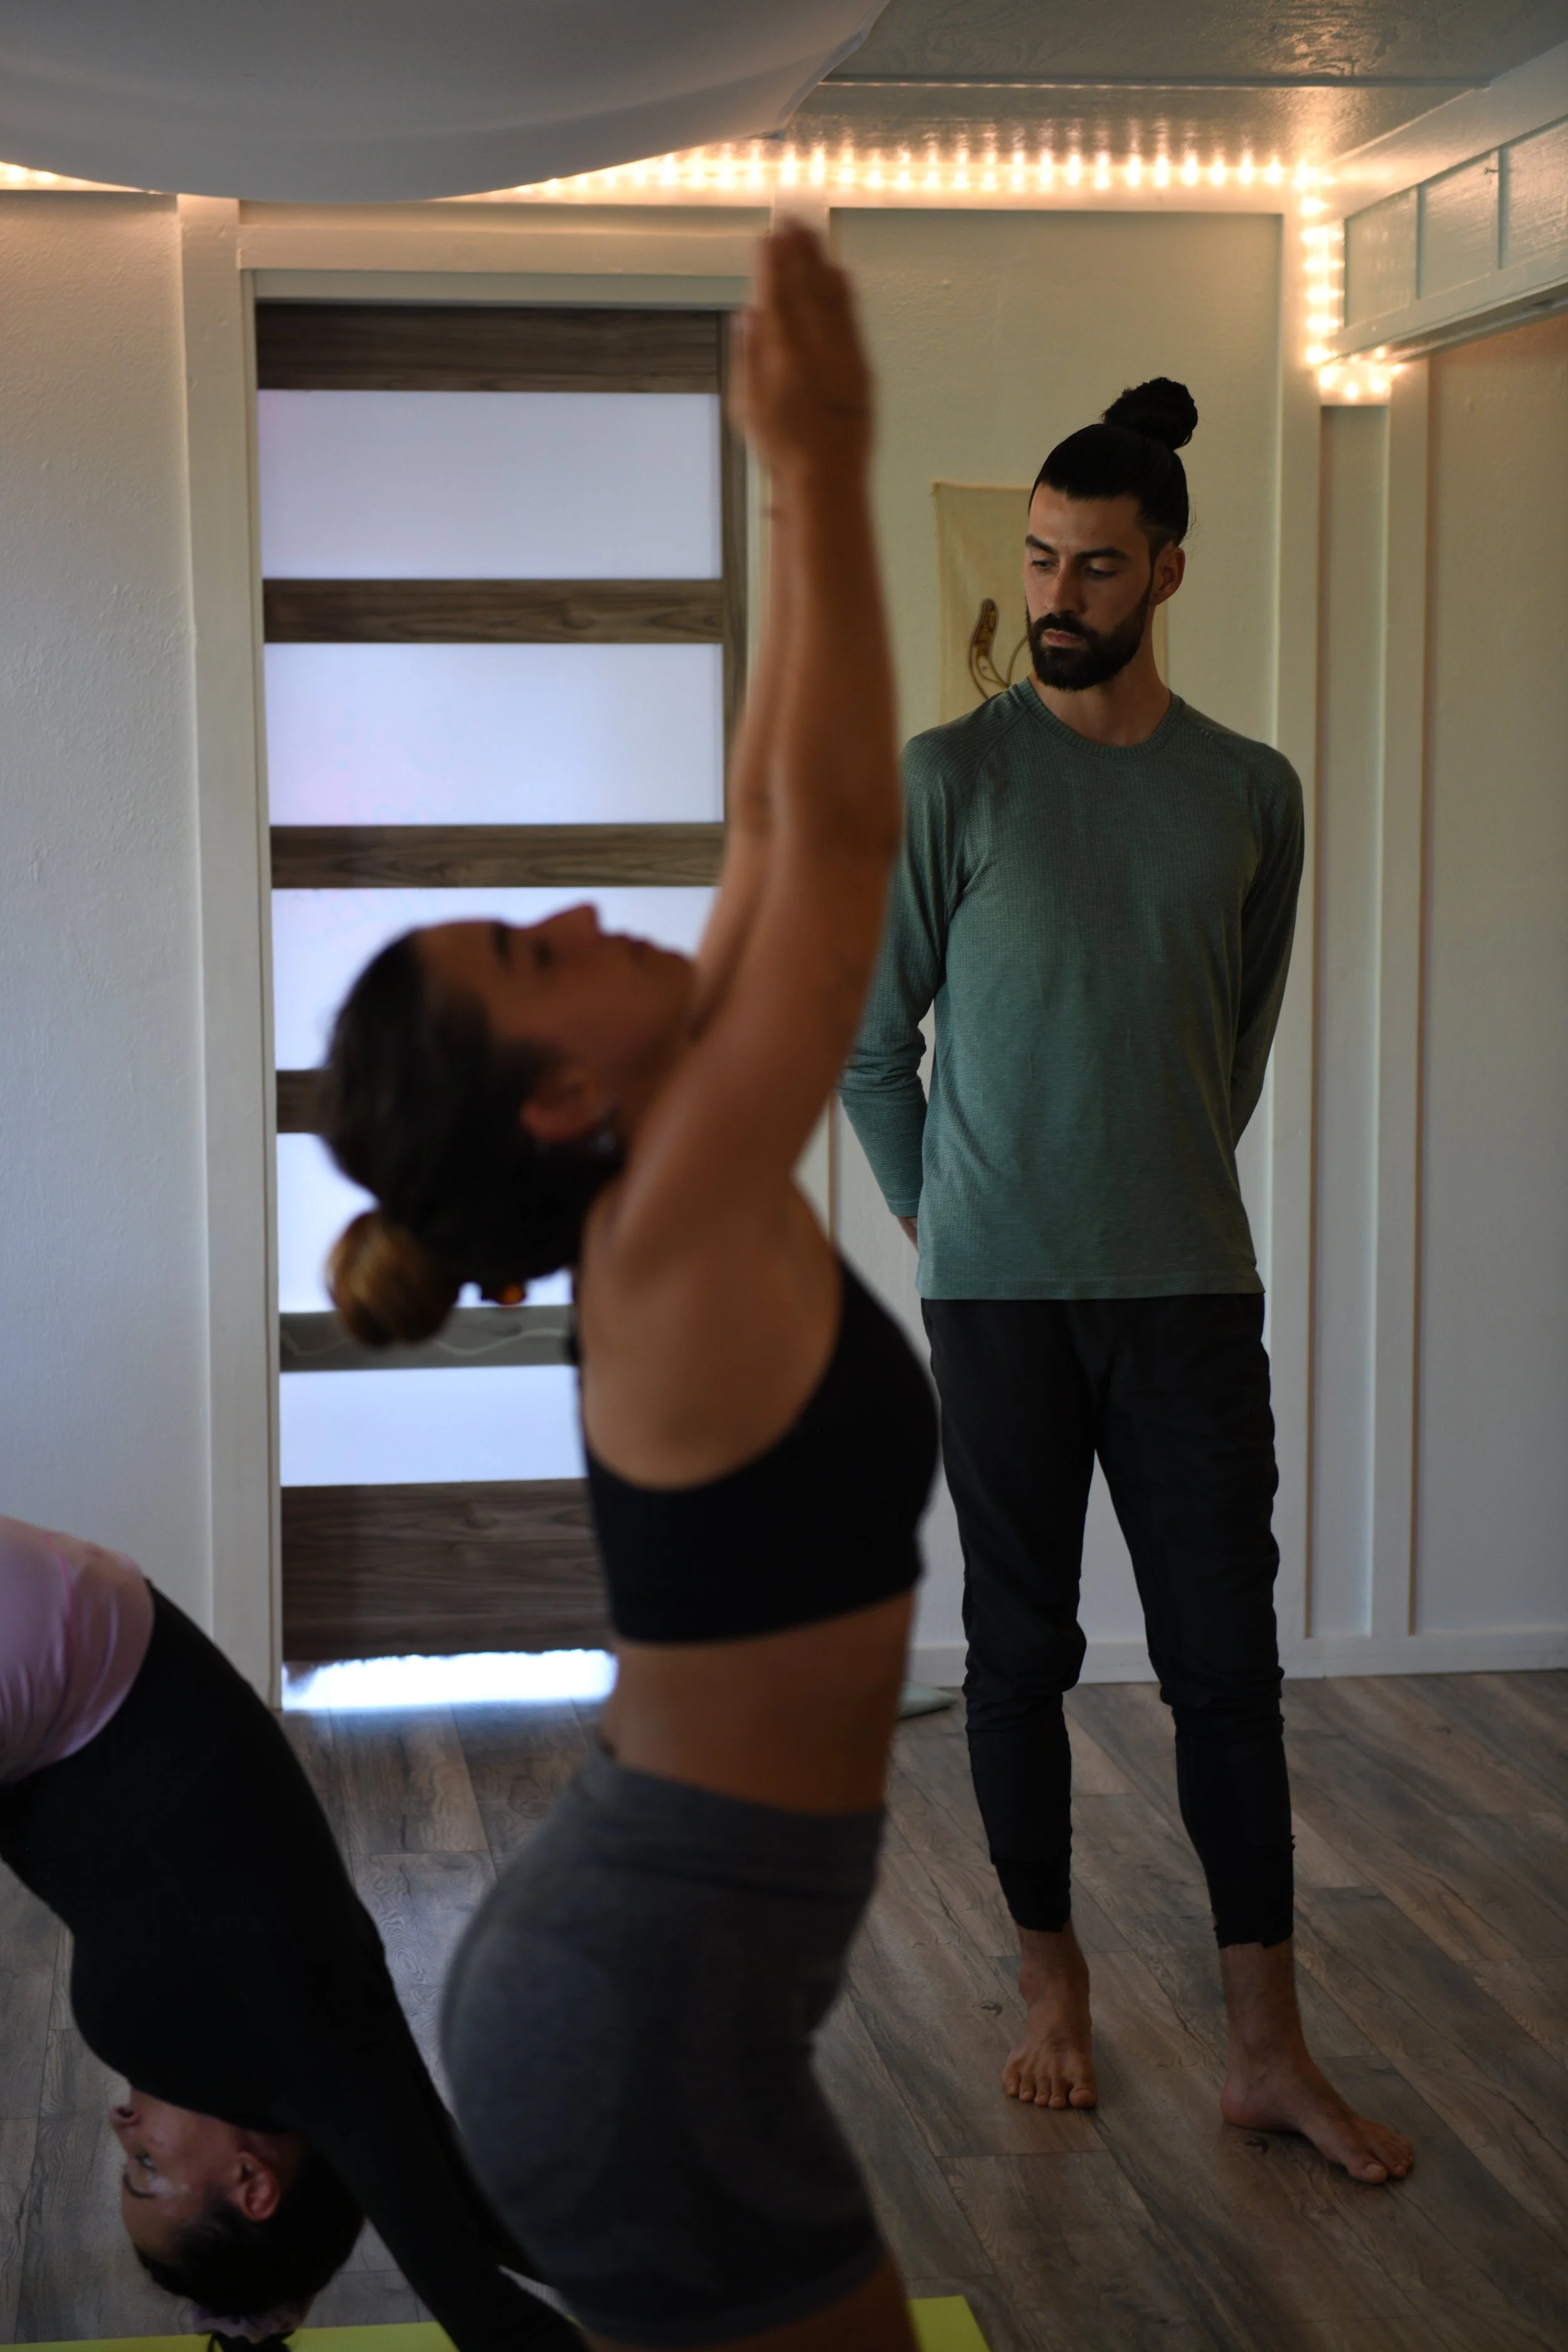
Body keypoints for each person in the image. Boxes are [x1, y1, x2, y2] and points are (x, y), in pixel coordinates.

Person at [319, 223, 936, 2351]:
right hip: (632, 2029)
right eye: (537, 948)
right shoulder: (667, 1230)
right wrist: (836, 453)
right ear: (569, 1092)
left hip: (662, 1986)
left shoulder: (670, 1174)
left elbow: (778, 810)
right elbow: (844, 844)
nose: (588, 902)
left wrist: (777, 483)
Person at [838, 379, 1415, 2187]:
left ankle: (1265, 2047)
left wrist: (1143, 1173)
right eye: (1036, 560)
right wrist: (958, 1226)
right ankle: (1049, 1979)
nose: (1059, 594)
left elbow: (1227, 1049)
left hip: (1186, 1294)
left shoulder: (1252, 792)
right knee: (1016, 1654)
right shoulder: (951, 776)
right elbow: (870, 1052)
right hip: (998, 1303)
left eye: (1095, 565)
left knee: (1223, 1662)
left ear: (1166, 568)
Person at [0, 1512, 579, 2344]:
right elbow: (476, 2287)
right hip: (61, 1634)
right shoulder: (296, 2036)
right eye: (148, 2169)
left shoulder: (302, 2037)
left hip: (76, 1630)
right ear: (251, 2182)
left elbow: (468, 2209)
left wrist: (254, 2313)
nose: (123, 2130)